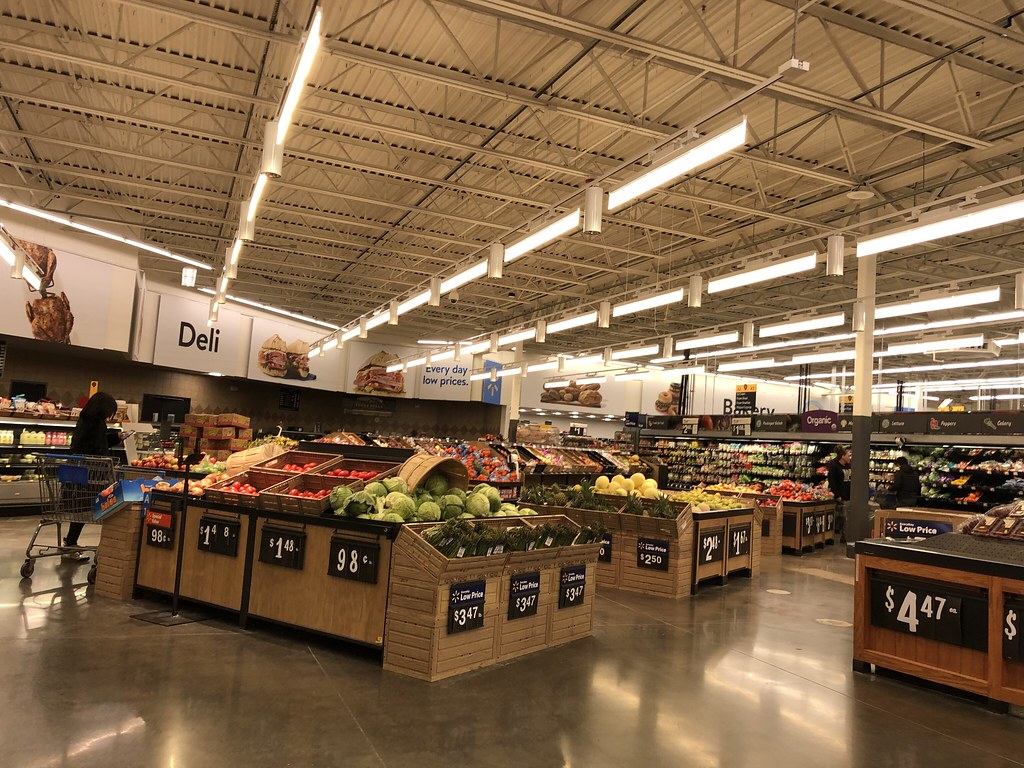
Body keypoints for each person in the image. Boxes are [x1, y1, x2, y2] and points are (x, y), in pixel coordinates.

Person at [62, 392, 125, 561]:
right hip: (90, 473)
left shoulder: (86, 420)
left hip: (79, 472)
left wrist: (115, 437)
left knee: (83, 509)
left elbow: (95, 442)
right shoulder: (96, 424)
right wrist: (110, 464)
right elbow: (97, 449)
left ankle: (70, 542)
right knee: (104, 507)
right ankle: (110, 546)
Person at [826, 446, 852, 542]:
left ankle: (845, 536)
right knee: (842, 518)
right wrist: (838, 495)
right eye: (848, 455)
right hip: (840, 497)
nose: (850, 457)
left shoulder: (849, 466)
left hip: (849, 496)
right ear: (842, 456)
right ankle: (838, 537)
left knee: (847, 518)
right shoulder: (834, 467)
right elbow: (832, 483)